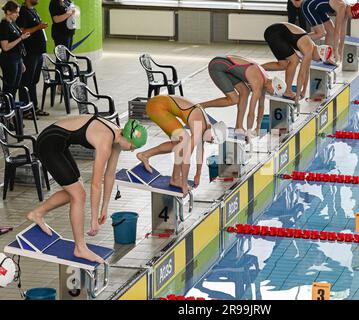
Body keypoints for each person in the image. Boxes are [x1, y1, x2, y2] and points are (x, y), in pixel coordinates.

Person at [27, 116, 148, 264]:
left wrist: (105, 208)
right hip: (48, 143)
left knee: (74, 192)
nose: (131, 150)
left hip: (60, 143)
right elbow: (96, 183)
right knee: (79, 195)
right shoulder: (105, 140)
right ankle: (80, 248)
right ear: (126, 137)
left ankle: (36, 214)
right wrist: (93, 218)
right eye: (131, 147)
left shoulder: (118, 138)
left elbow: (109, 175)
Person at [137, 95, 227, 196]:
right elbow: (186, 159)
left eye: (213, 142)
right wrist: (184, 184)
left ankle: (145, 155)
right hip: (156, 106)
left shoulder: (206, 126)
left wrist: (198, 174)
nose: (211, 141)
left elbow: (200, 152)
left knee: (179, 144)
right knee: (184, 142)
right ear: (213, 130)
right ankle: (176, 179)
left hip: (159, 105)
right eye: (212, 139)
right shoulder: (199, 126)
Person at [200, 55, 286, 136]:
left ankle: (239, 127)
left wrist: (258, 128)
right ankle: (201, 106)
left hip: (226, 66)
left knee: (245, 91)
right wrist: (249, 132)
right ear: (272, 85)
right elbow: (251, 112)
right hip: (217, 65)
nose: (272, 94)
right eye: (273, 92)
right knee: (234, 99)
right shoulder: (258, 82)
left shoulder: (265, 81)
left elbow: (261, 106)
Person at [262, 22, 334, 102]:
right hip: (274, 32)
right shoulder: (309, 50)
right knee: (294, 60)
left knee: (283, 65)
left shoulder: (311, 48)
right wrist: (297, 96)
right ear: (319, 54)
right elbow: (301, 75)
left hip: (275, 32)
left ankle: (257, 68)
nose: (317, 61)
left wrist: (303, 91)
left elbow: (306, 72)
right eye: (320, 59)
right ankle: (287, 91)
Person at [16, 0, 49, 117]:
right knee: (26, 81)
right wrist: (38, 27)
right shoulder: (23, 12)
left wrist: (39, 27)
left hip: (38, 52)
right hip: (30, 53)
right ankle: (25, 110)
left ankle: (34, 107)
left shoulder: (33, 10)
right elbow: (21, 31)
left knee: (34, 81)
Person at [0, 1, 30, 100]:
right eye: (16, 12)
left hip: (17, 58)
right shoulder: (4, 25)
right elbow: (5, 47)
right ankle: (6, 110)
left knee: (15, 88)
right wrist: (21, 38)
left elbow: (18, 46)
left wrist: (21, 61)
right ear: (8, 12)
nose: (18, 14)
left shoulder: (13, 23)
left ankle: (12, 109)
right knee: (9, 88)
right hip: (9, 60)